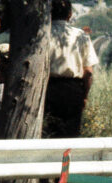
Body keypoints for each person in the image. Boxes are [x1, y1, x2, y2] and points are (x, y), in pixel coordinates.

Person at [44, 0, 98, 138]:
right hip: (73, 90)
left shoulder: (43, 35)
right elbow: (89, 72)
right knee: (71, 134)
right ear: (70, 14)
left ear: (50, 14)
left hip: (49, 88)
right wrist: (85, 95)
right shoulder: (81, 35)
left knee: (50, 132)